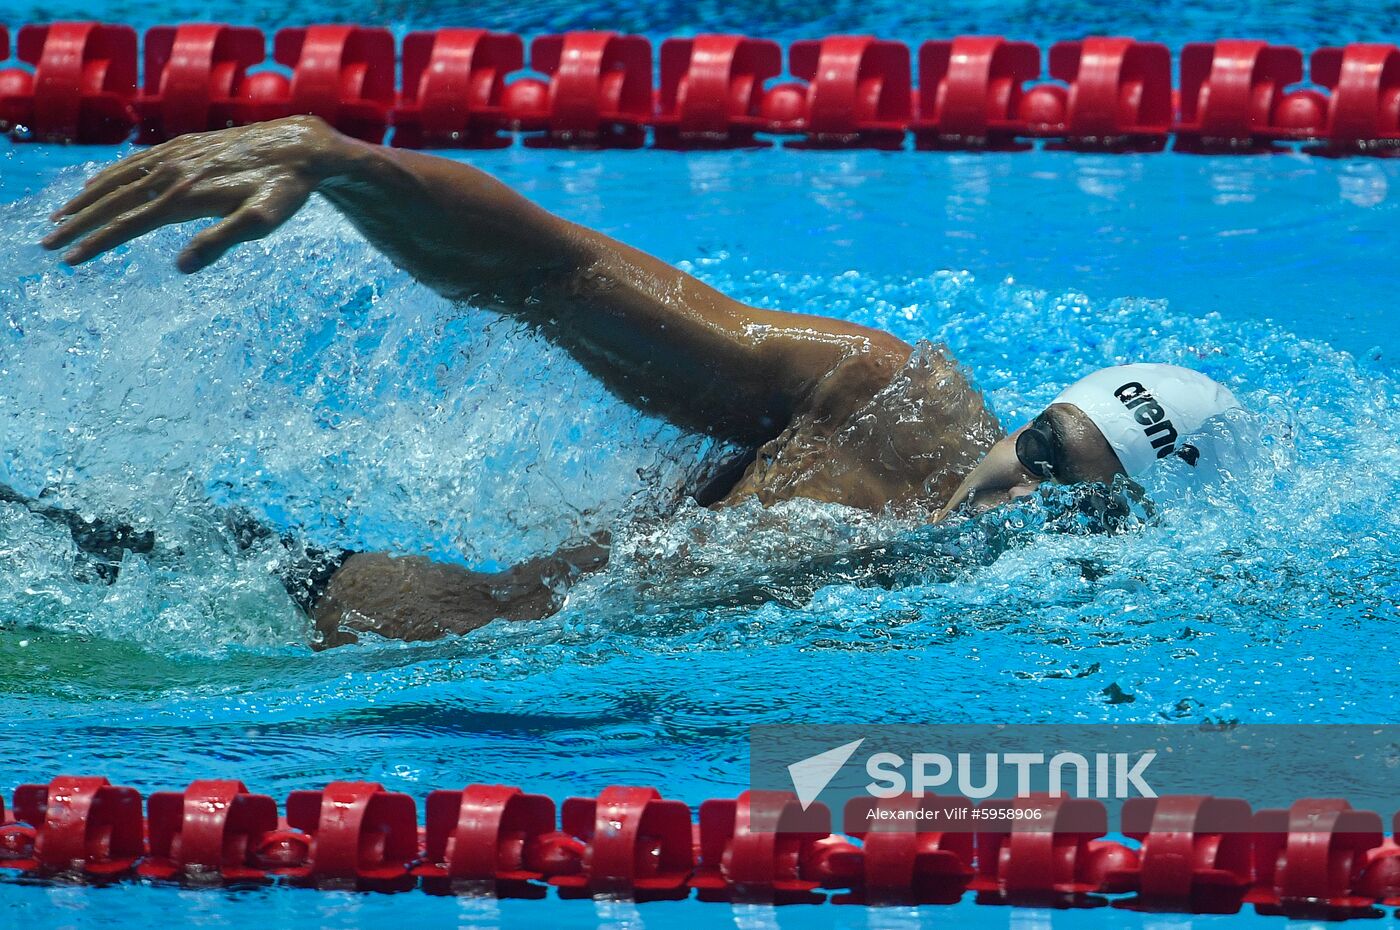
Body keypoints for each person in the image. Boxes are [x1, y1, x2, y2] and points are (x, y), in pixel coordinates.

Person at [36, 116, 1243, 645]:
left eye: (1081, 503)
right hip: (272, 611)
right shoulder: (874, 404)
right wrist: (351, 168)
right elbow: (557, 275)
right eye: (1039, 452)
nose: (1018, 500)